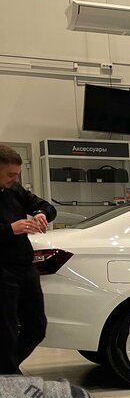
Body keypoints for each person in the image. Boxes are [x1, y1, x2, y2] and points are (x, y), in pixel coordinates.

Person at [0, 145, 57, 375]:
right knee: (6, 331)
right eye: (10, 174)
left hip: (25, 266)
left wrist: (42, 214)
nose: (15, 179)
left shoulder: (15, 190)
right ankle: (9, 375)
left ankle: (6, 370)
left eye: (17, 174)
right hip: (2, 270)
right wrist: (10, 229)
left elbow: (47, 206)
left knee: (37, 327)